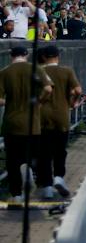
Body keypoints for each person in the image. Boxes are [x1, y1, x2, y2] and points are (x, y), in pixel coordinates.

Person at [0, 45, 47, 204]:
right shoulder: (35, 69)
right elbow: (48, 88)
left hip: (11, 123)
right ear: (26, 55)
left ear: (11, 56)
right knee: (33, 154)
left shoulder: (4, 72)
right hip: (32, 123)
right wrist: (39, 101)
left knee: (12, 160)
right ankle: (28, 170)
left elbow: (0, 100)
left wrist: (8, 101)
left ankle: (16, 194)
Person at [36, 47, 80, 199]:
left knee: (44, 153)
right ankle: (59, 177)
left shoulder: (38, 72)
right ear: (57, 56)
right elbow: (78, 90)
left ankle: (46, 186)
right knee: (60, 150)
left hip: (41, 116)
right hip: (62, 115)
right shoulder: (66, 71)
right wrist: (72, 102)